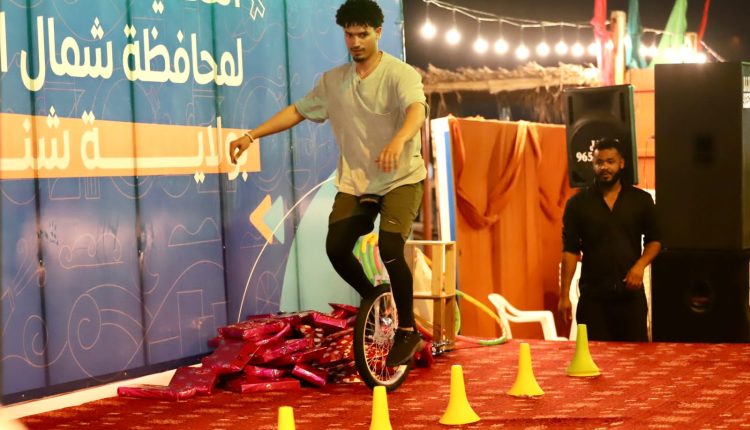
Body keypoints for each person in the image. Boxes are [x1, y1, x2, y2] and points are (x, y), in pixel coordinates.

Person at [229, 0, 427, 366]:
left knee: (390, 247)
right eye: (349, 35)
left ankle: (407, 330)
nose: (355, 42)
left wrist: (399, 140)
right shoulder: (333, 81)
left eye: (363, 34)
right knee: (336, 247)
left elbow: (416, 109)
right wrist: (251, 135)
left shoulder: (400, 74)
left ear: (378, 32)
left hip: (400, 178)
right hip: (357, 183)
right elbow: (298, 111)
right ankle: (373, 298)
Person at [558, 138, 661, 341]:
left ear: (621, 163)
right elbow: (570, 250)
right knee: (595, 357)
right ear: (593, 164)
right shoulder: (577, 204)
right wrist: (564, 296)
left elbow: (655, 240)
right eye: (599, 162)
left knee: (636, 357)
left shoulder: (641, 200)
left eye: (610, 161)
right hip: (593, 300)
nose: (604, 167)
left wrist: (640, 266)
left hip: (630, 299)